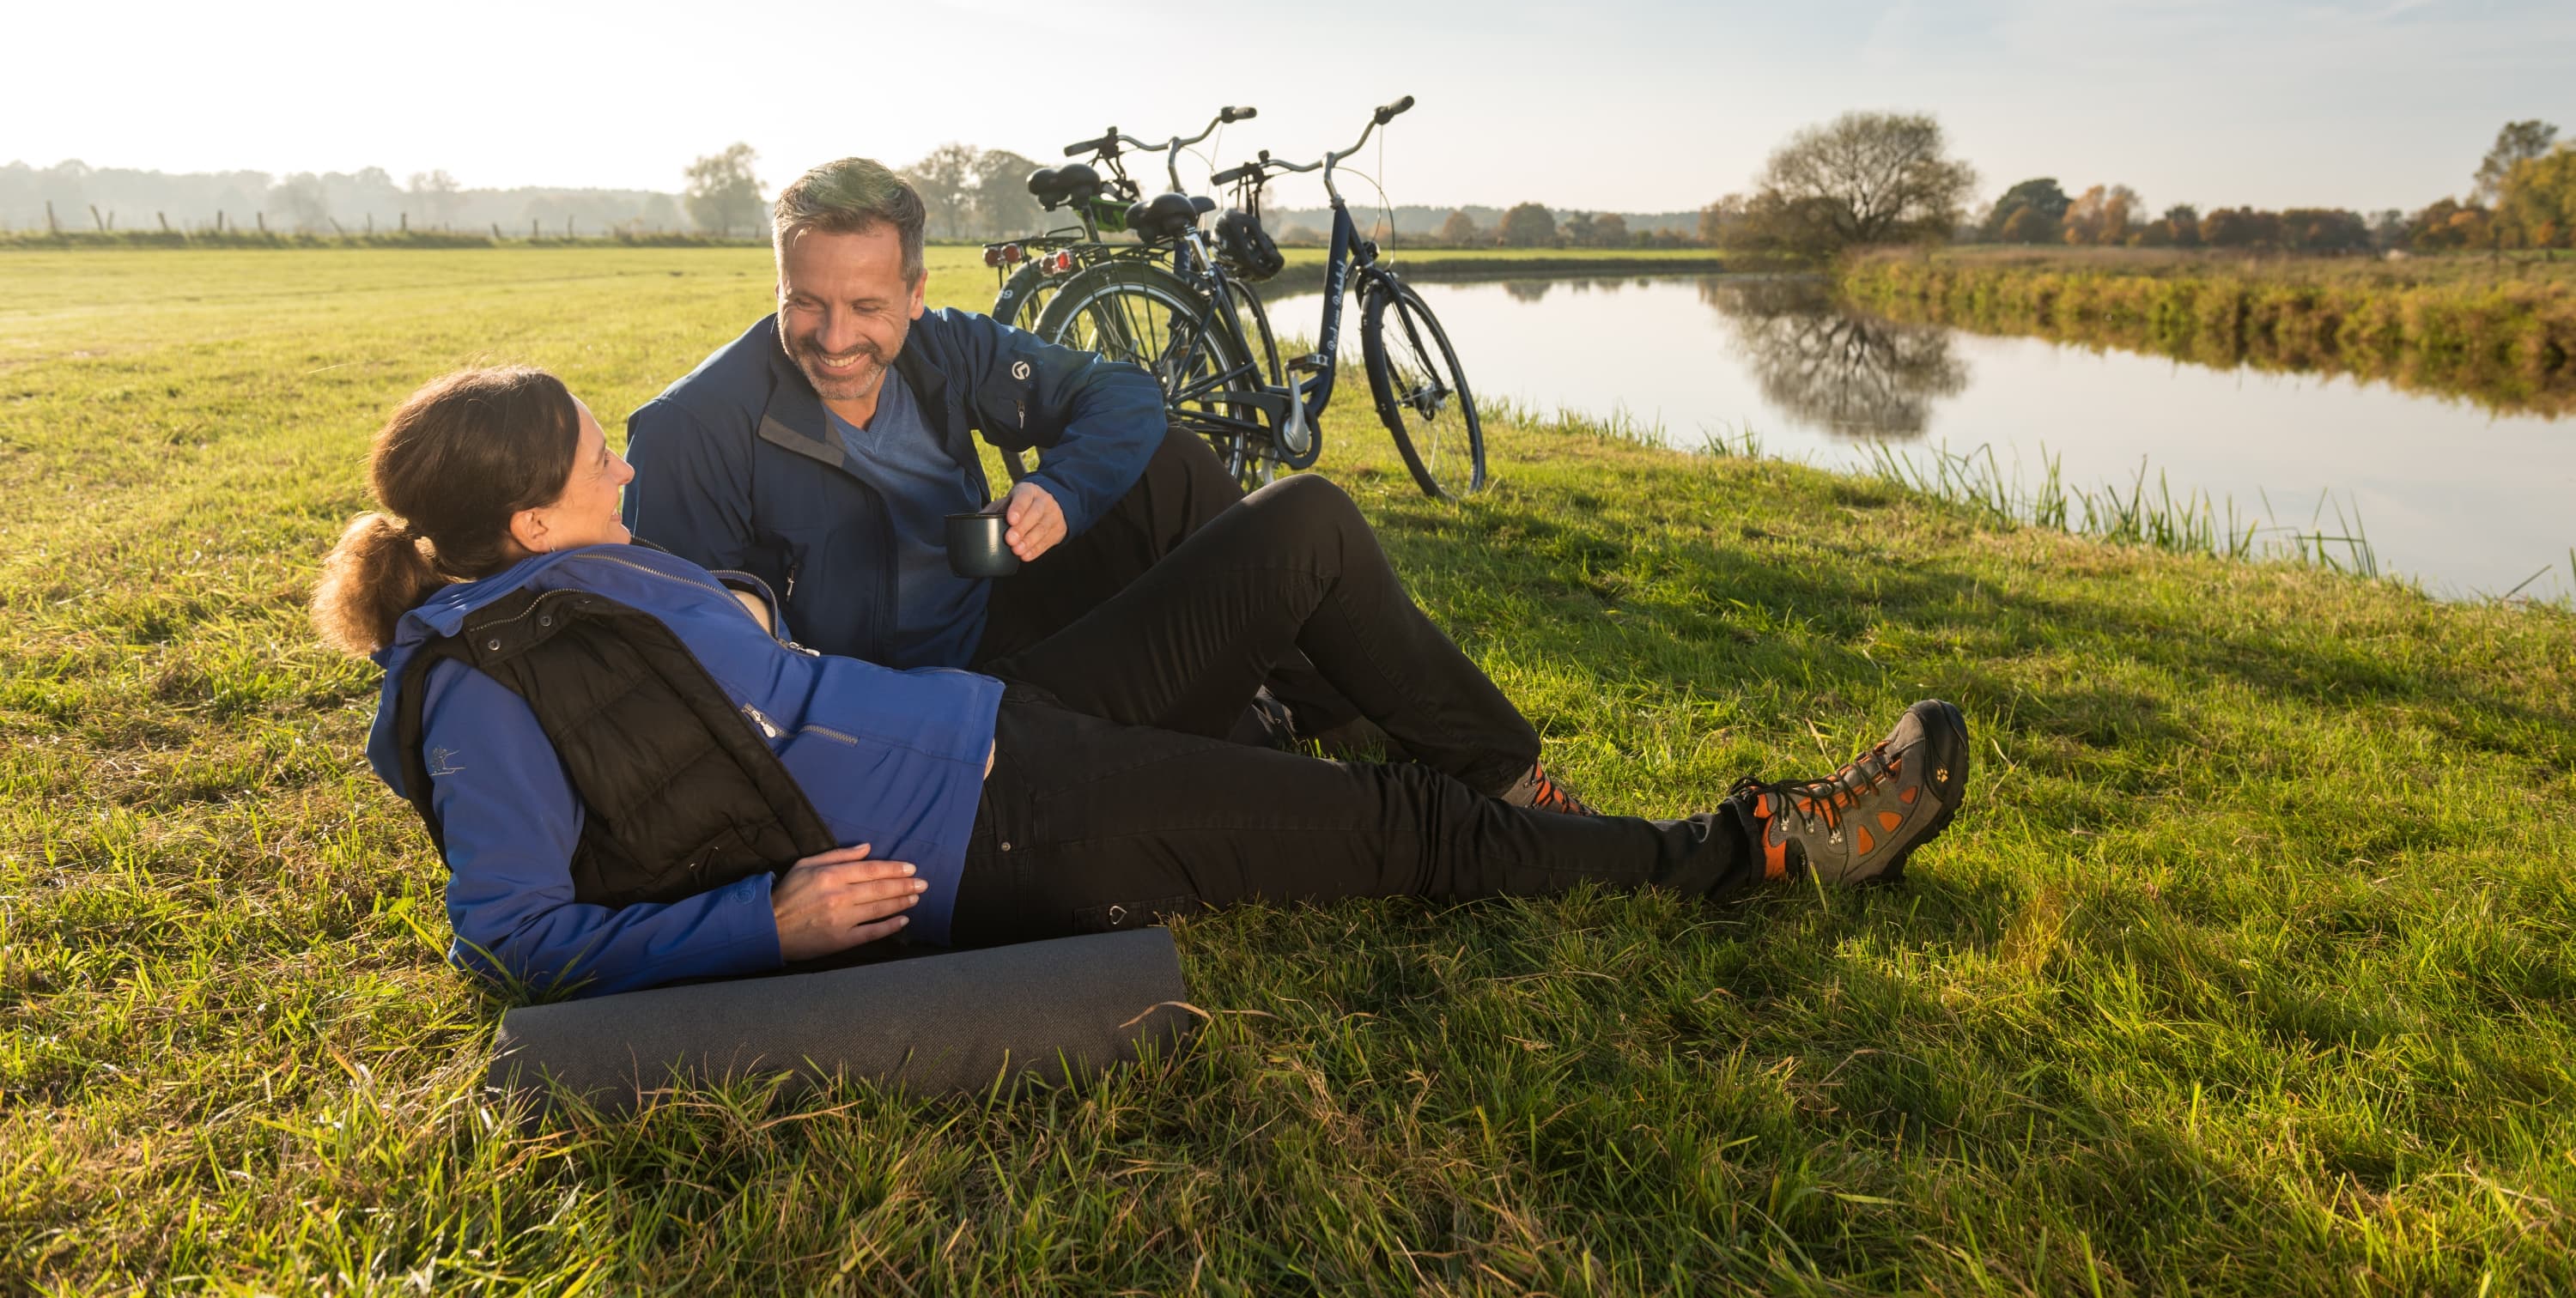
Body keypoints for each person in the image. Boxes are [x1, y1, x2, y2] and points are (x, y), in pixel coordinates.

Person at [319, 367, 1971, 998]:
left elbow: (741, 681)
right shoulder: (484, 686)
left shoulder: (565, 583)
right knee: (1392, 826)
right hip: (1002, 838)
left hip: (1002, 728)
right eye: (592, 451)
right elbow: (511, 934)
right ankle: (1756, 851)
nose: (622, 453)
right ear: (528, 519)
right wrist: (774, 922)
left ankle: (1512, 777)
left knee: (1302, 524)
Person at [619, 157, 1595, 814]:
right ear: (778, 284)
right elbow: (688, 672)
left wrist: (1061, 493)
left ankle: (1330, 713)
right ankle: (1497, 780)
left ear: (916, 294)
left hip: (994, 612)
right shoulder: (690, 431)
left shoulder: (941, 348)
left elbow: (1123, 395)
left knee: (1171, 468)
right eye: (806, 304)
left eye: (867, 306)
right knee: (1305, 526)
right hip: (927, 716)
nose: (836, 339)